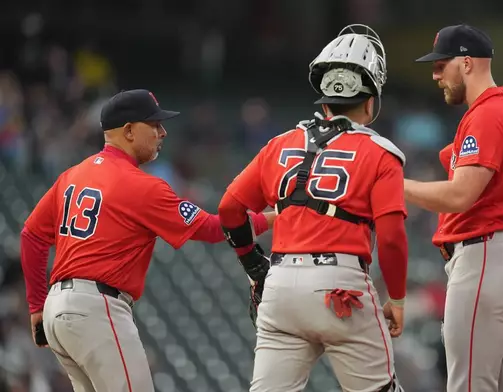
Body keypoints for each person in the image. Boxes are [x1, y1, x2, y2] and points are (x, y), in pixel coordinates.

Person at [20, 89, 275, 392]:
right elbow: (210, 228)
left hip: (58, 310)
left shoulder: (72, 175)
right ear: (128, 131)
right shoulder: (141, 186)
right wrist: (272, 218)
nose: (162, 132)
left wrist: (37, 306)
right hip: (97, 308)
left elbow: (31, 236)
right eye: (153, 125)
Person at [218, 24, 408, 392]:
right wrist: (397, 298)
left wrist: (253, 264)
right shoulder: (380, 152)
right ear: (370, 100)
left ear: (322, 95)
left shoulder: (278, 144)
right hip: (341, 287)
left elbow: (229, 210)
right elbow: (393, 239)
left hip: (280, 287)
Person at [405, 24, 503, 392]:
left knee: (470, 386)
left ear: (466, 63)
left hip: (487, 258)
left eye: (441, 65)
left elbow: (459, 195)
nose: (435, 75)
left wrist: (392, 186)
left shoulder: (487, 113)